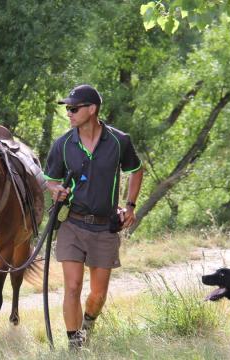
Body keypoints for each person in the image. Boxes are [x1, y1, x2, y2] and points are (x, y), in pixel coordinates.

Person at [44, 84, 144, 349]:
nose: (69, 113)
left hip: (105, 228)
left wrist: (130, 206)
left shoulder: (119, 141)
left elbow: (136, 170)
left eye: (74, 108)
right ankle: (75, 345)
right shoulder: (63, 144)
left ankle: (88, 325)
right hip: (72, 224)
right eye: (67, 108)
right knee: (73, 286)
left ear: (92, 109)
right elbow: (50, 180)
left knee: (98, 295)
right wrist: (57, 191)